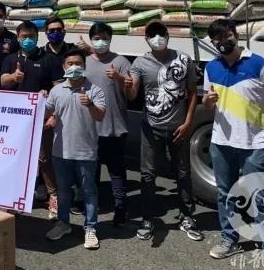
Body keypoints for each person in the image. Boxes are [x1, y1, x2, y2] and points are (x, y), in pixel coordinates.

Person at [203, 19, 264, 270]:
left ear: (235, 35)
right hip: (221, 142)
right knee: (225, 194)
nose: (222, 42)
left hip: (253, 144)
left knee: (260, 197)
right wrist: (207, 101)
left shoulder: (259, 64)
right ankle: (229, 239)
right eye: (216, 39)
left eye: (226, 35)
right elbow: (208, 103)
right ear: (212, 42)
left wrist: (259, 122)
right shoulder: (211, 67)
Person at [125, 21, 203, 242]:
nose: (157, 38)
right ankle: (148, 219)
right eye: (152, 34)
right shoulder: (140, 63)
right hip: (151, 128)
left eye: (161, 33)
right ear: (146, 39)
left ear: (168, 35)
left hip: (179, 128)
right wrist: (126, 85)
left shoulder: (183, 59)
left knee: (183, 173)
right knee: (148, 174)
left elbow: (192, 93)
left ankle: (187, 217)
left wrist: (188, 123)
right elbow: (132, 95)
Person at [1, 20, 65, 220]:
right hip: (16, 118)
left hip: (42, 118)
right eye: (24, 37)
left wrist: (52, 110)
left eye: (31, 37)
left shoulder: (48, 59)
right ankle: (16, 197)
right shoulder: (10, 59)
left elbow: (60, 87)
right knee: (16, 157)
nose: (27, 40)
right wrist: (14, 77)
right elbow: (3, 82)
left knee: (44, 159)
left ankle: (54, 197)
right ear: (18, 38)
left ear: (37, 38)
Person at [44, 49, 106, 250]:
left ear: (84, 66)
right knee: (63, 192)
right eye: (70, 63)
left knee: (89, 191)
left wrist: (90, 105)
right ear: (63, 67)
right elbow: (45, 112)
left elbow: (100, 116)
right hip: (60, 151)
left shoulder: (94, 90)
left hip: (86, 152)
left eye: (78, 63)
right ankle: (64, 224)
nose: (74, 67)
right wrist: (39, 99)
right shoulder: (56, 91)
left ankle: (90, 227)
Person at [84, 22, 132, 227]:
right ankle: (91, 208)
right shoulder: (84, 62)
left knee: (116, 171)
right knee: (90, 171)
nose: (100, 42)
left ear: (111, 39)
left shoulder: (120, 62)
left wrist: (120, 78)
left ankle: (120, 208)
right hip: (89, 128)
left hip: (114, 126)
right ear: (91, 40)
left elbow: (131, 94)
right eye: (96, 38)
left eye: (104, 38)